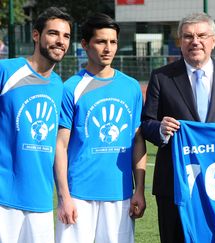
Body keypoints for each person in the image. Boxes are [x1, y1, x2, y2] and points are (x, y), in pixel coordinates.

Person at [141, 12, 215, 243]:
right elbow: (146, 123)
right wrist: (160, 129)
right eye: (188, 36)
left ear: (213, 40)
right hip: (175, 184)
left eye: (202, 35)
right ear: (179, 42)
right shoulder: (162, 77)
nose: (195, 41)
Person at [54, 13, 146, 243]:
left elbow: (138, 140)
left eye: (113, 42)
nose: (108, 48)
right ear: (85, 44)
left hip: (120, 195)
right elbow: (60, 145)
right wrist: (64, 196)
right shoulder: (70, 88)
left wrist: (140, 190)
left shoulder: (131, 87)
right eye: (101, 41)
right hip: (78, 196)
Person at [0, 7, 71, 243]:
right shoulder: (6, 71)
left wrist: (64, 196)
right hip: (3, 200)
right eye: (53, 33)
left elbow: (58, 145)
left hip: (41, 201)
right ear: (36, 35)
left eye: (66, 36)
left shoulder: (58, 85)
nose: (60, 41)